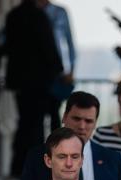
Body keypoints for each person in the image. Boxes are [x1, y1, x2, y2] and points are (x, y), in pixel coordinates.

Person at [3, 0, 62, 178]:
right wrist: (57, 70)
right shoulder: (39, 17)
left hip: (20, 82)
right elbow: (49, 48)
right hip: (38, 82)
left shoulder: (13, 16)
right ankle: (33, 168)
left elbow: (10, 47)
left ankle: (18, 166)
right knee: (35, 126)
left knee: (24, 124)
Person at [41, 0, 76, 131]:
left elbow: (70, 42)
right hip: (38, 72)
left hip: (57, 72)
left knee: (54, 112)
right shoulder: (32, 12)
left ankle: (55, 148)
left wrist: (71, 70)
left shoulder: (60, 12)